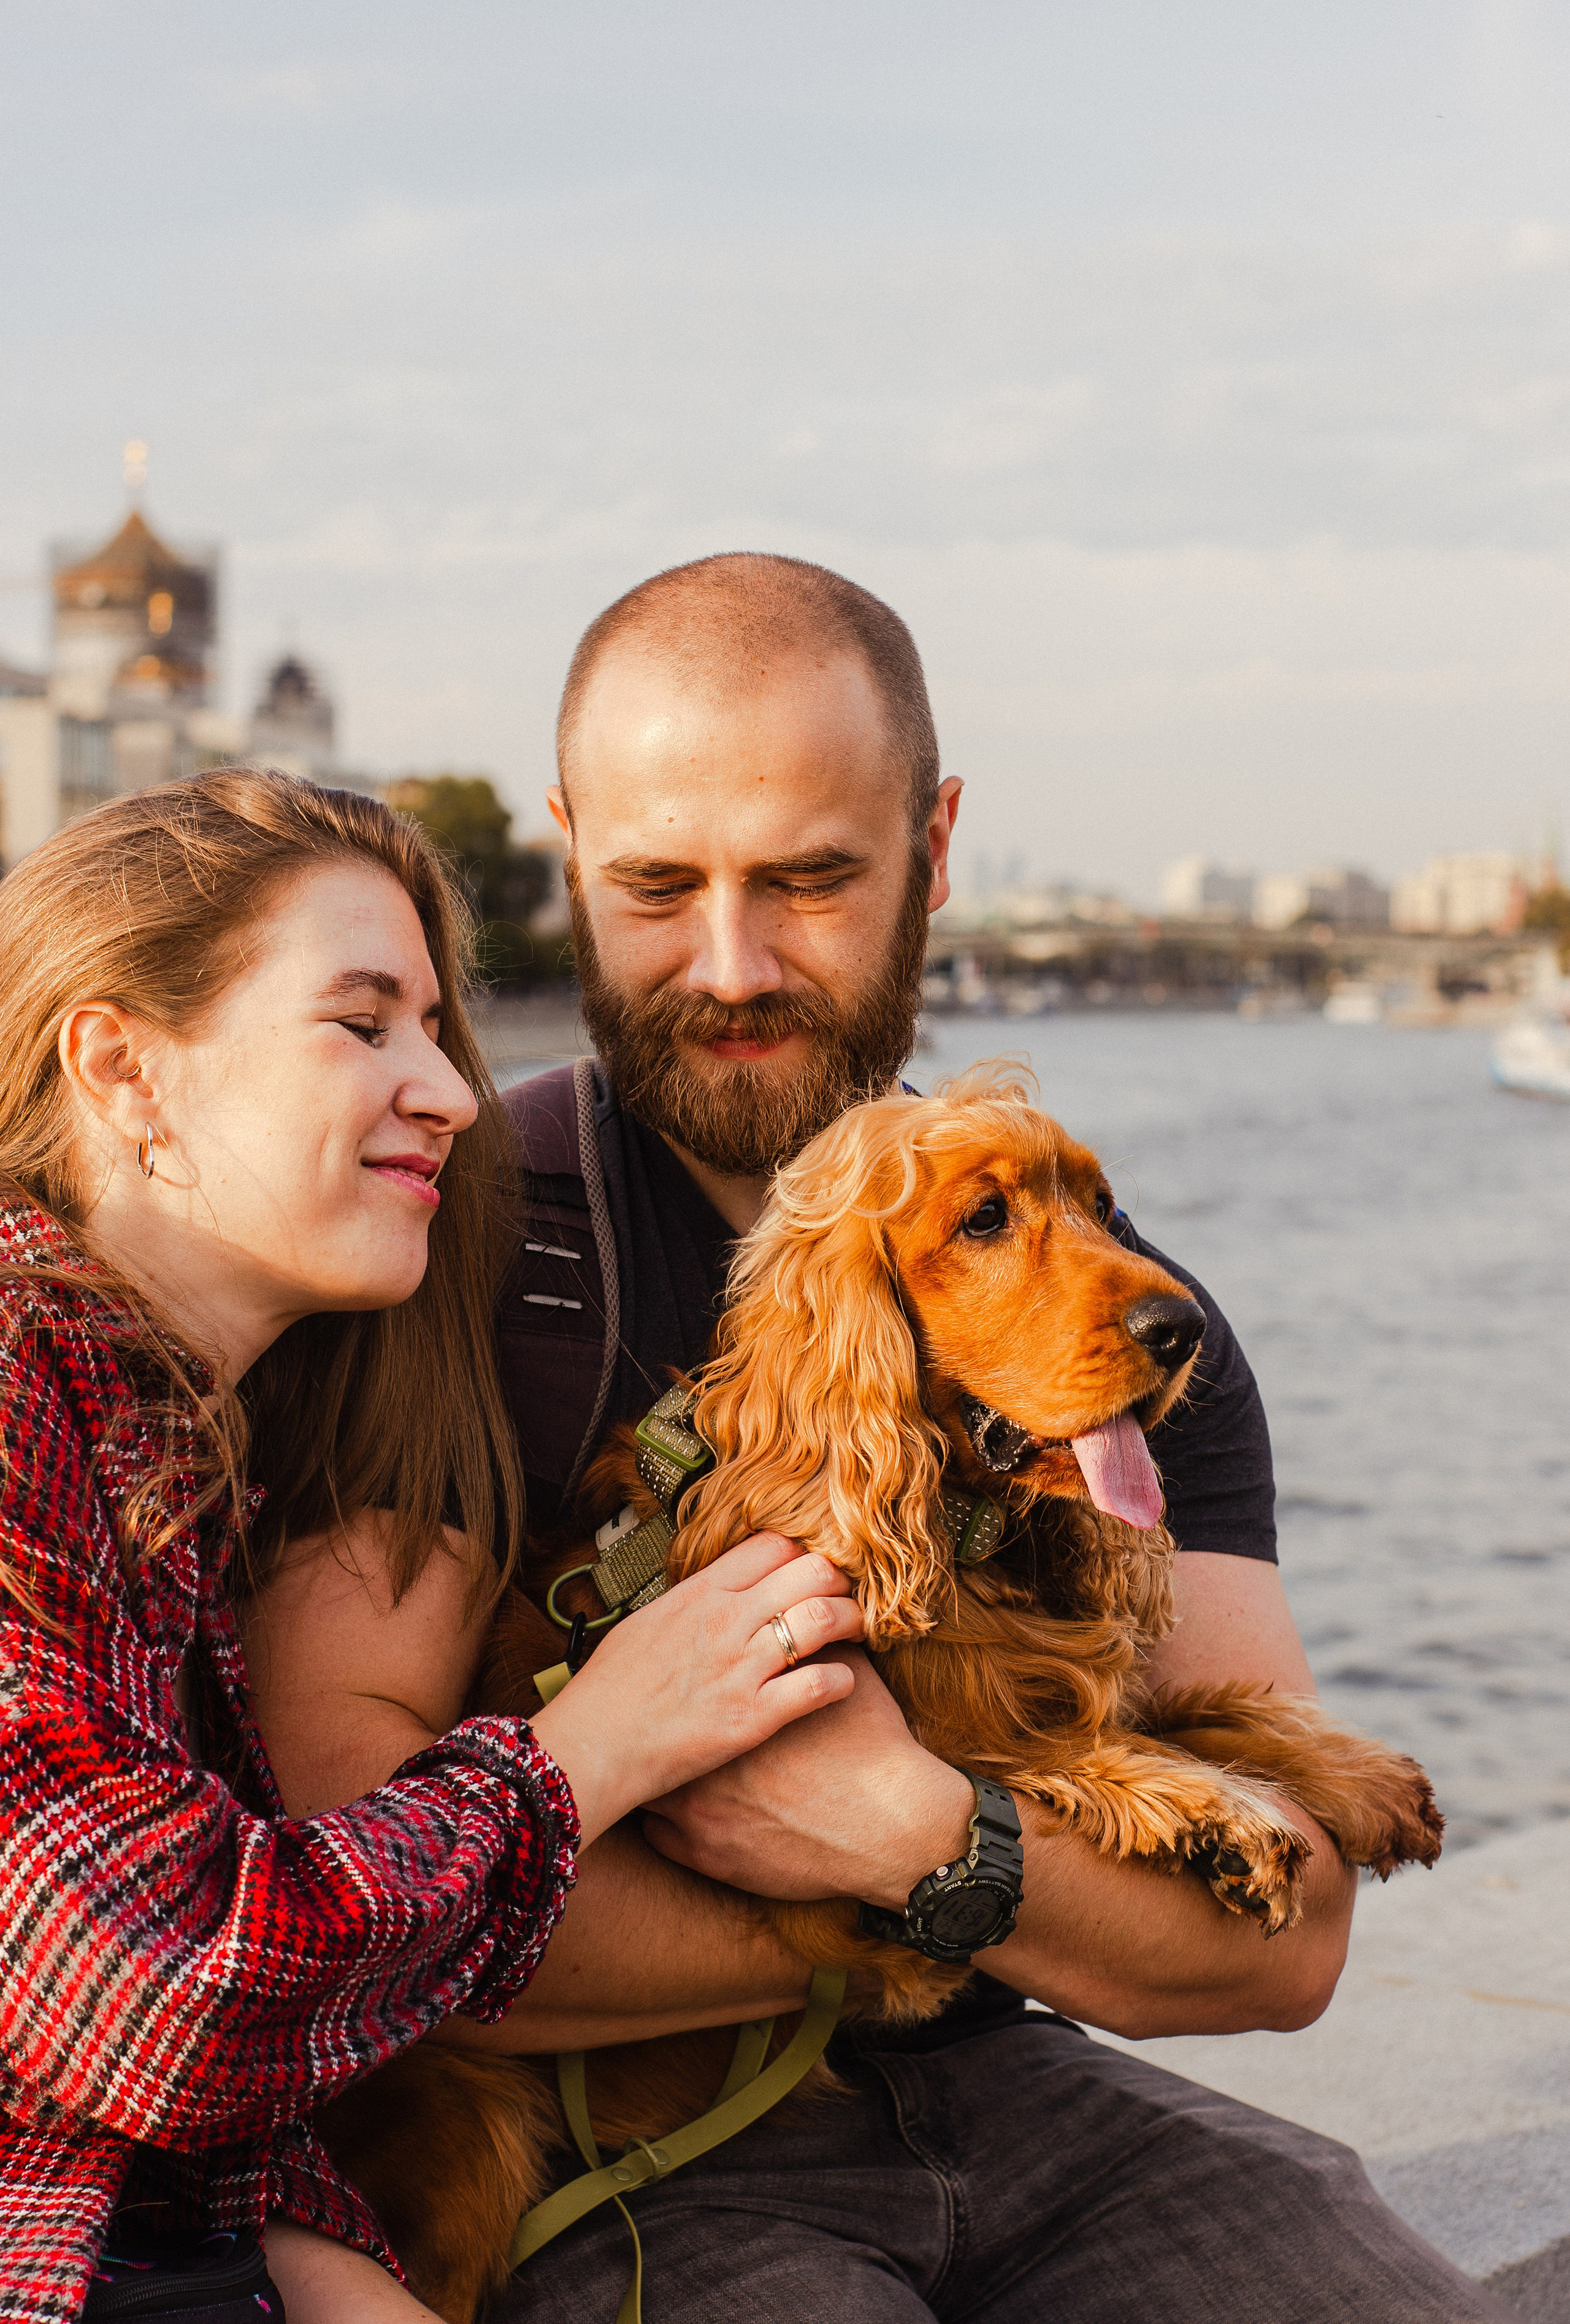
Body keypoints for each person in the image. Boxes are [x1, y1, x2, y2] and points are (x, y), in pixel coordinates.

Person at [251, 556, 1509, 2323]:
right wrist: (911, 1899)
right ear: (563, 850)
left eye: (812, 879)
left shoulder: (1118, 1322)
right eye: (655, 886)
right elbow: (350, 1881)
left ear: (936, 844)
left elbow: (1283, 1932)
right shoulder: (444, 1245)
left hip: (1017, 2089)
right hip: (622, 2146)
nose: (734, 963)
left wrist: (916, 1840)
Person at [0, 769, 863, 2324]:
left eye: (437, 1031)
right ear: (121, 1068)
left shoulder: (176, 1443)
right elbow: (159, 1996)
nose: (457, 1094)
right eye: (361, 1022)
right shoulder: (8, 1379)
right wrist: (585, 1751)